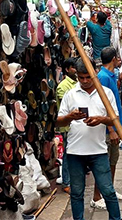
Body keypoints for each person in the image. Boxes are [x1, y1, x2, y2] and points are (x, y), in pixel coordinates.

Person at [56, 58, 121, 220]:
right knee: (77, 192)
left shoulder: (106, 93)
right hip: (75, 151)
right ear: (76, 75)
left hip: (98, 151)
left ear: (95, 73)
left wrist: (101, 119)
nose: (85, 81)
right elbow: (59, 121)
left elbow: (115, 118)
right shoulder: (71, 94)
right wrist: (70, 116)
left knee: (108, 191)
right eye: (81, 77)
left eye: (88, 77)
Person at [91, 47, 122, 210]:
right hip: (106, 129)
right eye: (118, 57)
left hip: (114, 127)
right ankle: (97, 196)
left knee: (113, 161)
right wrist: (111, 129)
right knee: (103, 164)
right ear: (114, 58)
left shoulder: (111, 75)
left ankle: (109, 192)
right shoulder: (103, 77)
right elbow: (102, 105)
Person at [55, 57, 78, 194]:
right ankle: (66, 182)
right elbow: (67, 107)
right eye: (73, 68)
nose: (75, 71)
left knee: (72, 154)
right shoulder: (63, 86)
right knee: (68, 155)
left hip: (76, 125)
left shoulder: (75, 83)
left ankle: (71, 180)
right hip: (68, 126)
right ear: (67, 69)